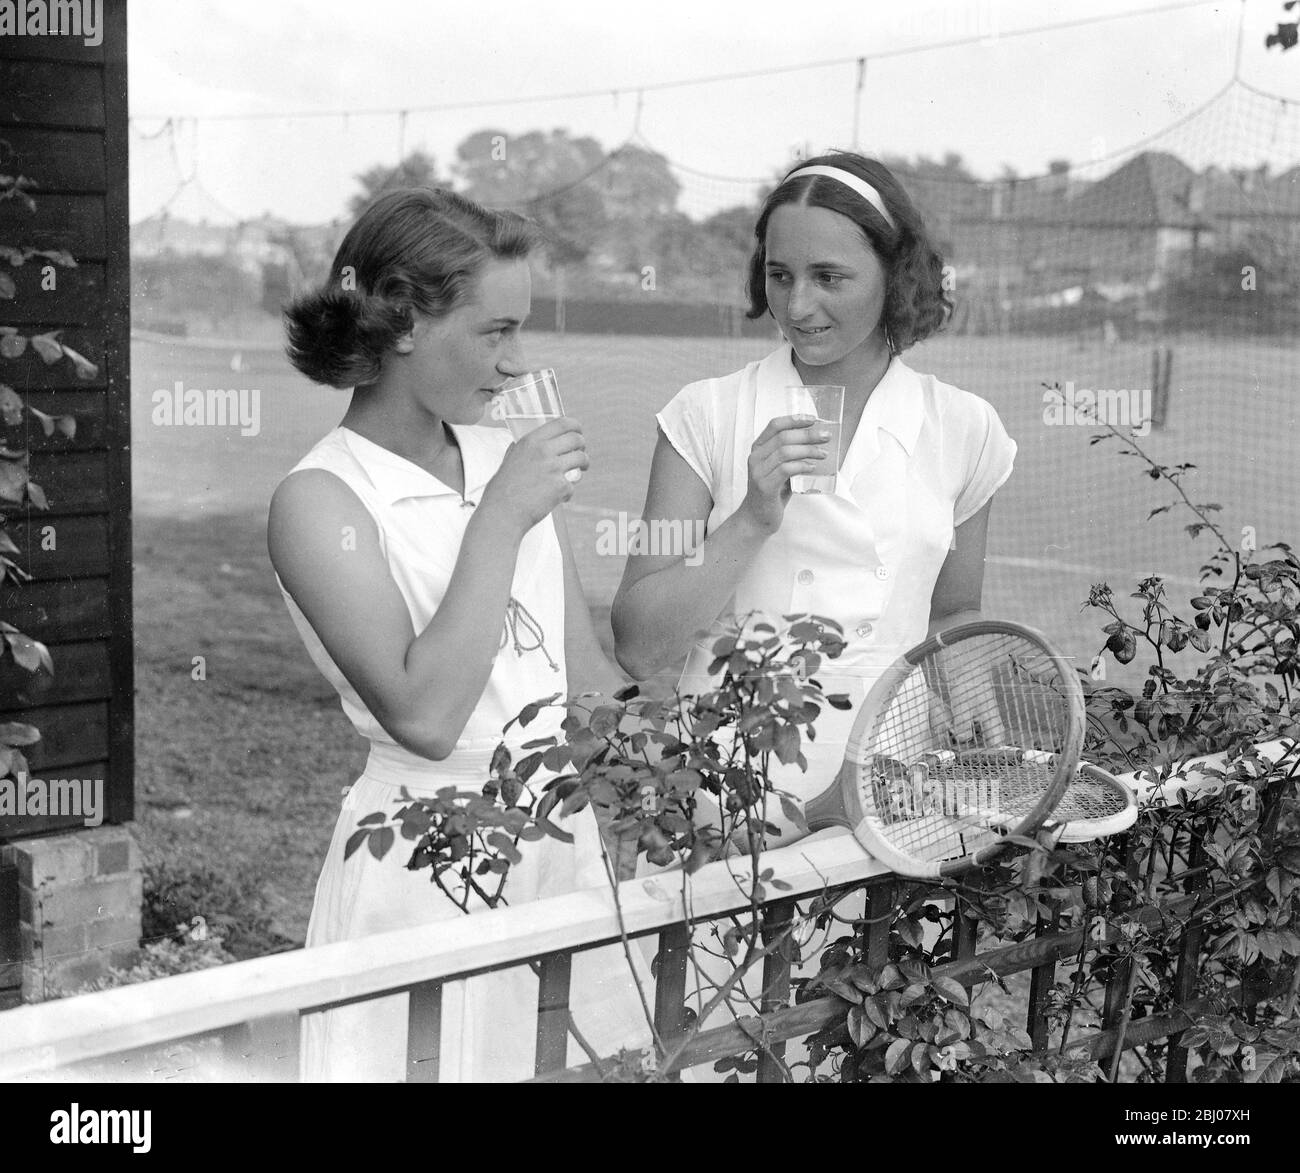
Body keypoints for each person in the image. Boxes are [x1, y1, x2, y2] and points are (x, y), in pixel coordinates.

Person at [270, 188, 645, 1081]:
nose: (518, 364)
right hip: (425, 862)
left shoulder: (501, 456)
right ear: (401, 317)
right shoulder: (321, 500)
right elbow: (428, 715)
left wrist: (683, 790)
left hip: (562, 846)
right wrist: (502, 517)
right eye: (495, 331)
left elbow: (583, 677)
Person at [611, 153, 1017, 844]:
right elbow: (638, 644)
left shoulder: (963, 428)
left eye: (829, 277)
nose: (797, 307)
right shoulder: (705, 415)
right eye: (780, 275)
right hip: (732, 793)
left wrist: (969, 681)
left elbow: (954, 611)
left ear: (896, 274)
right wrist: (750, 520)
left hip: (891, 790)